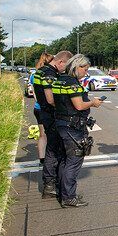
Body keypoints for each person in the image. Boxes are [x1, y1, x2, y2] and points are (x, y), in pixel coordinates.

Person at [52, 54, 102, 208]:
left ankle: (64, 193)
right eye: (85, 69)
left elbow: (53, 102)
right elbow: (79, 105)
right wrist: (93, 103)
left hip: (60, 124)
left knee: (64, 161)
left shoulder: (59, 80)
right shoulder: (73, 83)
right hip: (72, 128)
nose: (86, 73)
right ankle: (69, 197)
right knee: (74, 161)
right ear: (77, 67)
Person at [36, 50, 73, 198]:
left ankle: (51, 182)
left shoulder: (41, 71)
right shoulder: (50, 74)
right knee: (54, 149)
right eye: (66, 67)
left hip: (43, 112)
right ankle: (50, 184)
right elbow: (51, 99)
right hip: (51, 115)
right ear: (60, 62)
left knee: (53, 148)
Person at [30, 52, 54, 167]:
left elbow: (34, 92)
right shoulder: (48, 75)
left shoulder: (34, 75)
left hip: (37, 107)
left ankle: (42, 159)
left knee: (42, 134)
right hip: (46, 108)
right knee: (51, 133)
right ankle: (51, 157)